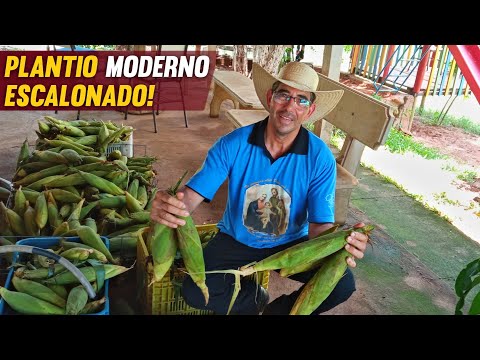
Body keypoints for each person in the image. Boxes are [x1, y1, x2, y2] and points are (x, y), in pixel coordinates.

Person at [150, 61, 370, 315]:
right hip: (236, 239)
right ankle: (253, 299)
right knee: (194, 291)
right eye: (283, 95)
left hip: (291, 244)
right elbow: (189, 199)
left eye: (301, 100)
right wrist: (168, 207)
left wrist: (341, 243)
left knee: (342, 285)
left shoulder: (319, 157)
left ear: (310, 111)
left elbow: (319, 227)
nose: (289, 107)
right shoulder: (233, 144)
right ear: (270, 97)